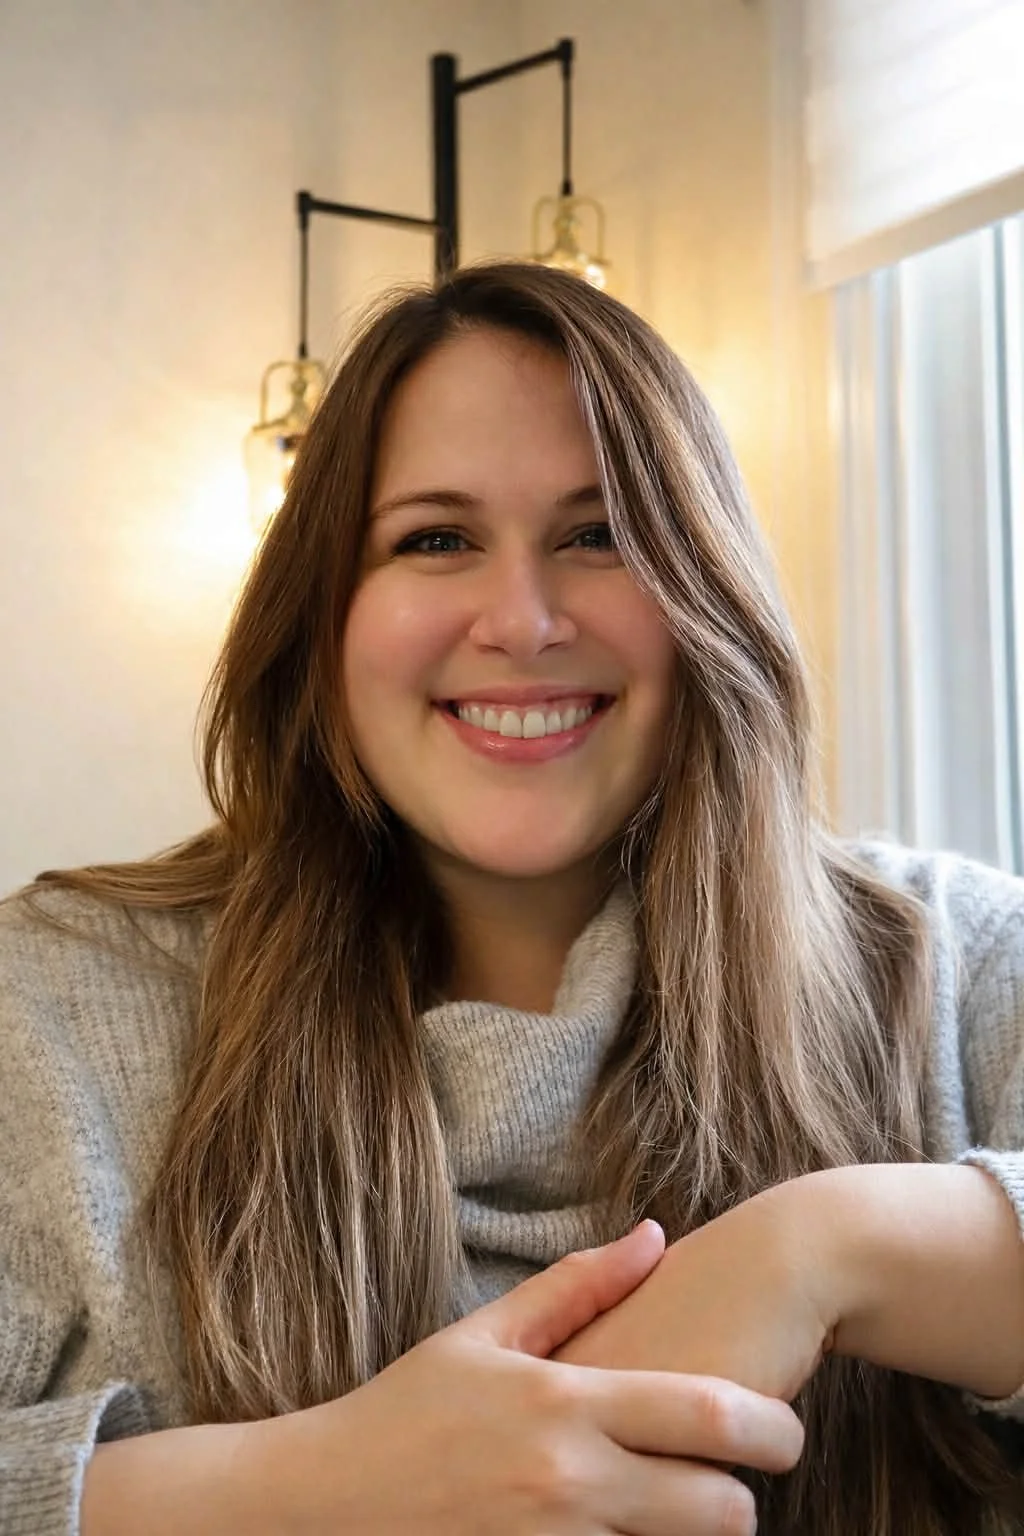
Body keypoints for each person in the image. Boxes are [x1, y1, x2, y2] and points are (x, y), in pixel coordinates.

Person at [1, 261, 1023, 1536]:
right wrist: (311, 1487)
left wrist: (828, 1247)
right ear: (320, 618)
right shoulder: (46, 1009)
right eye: (435, 539)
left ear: (706, 590)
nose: (522, 621)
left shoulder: (960, 963)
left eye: (597, 535)